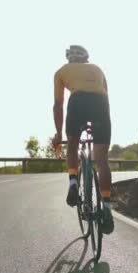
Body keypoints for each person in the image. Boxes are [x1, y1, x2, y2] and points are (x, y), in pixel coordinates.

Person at [52, 45, 114, 234]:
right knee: (102, 161)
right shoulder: (97, 69)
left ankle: (73, 183)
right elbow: (106, 97)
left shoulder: (61, 71)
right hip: (100, 105)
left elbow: (58, 105)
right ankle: (107, 208)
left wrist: (59, 134)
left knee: (72, 146)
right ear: (86, 58)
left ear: (69, 59)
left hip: (77, 101)